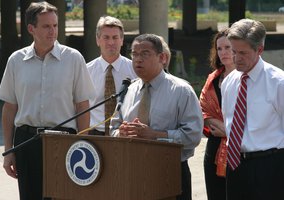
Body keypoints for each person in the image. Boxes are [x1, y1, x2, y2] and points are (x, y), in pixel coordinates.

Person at [0, 2, 95, 200]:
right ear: (31, 29)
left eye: (55, 26)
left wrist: (82, 144)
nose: (53, 31)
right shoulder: (15, 60)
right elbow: (9, 107)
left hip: (64, 141)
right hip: (26, 141)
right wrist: (8, 150)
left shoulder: (74, 59)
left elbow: (82, 106)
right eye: (46, 26)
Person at [110, 33, 203, 200]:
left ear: (163, 58)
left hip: (169, 172)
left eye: (145, 54)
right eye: (134, 54)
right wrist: (121, 133)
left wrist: (156, 135)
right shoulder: (128, 90)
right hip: (132, 172)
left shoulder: (181, 91)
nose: (138, 59)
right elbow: (114, 128)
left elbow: (193, 135)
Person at [221, 19, 284, 200]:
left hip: (270, 167)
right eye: (233, 51)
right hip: (235, 165)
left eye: (243, 53)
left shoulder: (278, 83)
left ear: (260, 50)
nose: (236, 58)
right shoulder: (229, 81)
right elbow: (229, 123)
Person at [199, 28, 235, 200]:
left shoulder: (248, 78)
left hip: (239, 149)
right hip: (213, 148)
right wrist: (222, 127)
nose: (223, 52)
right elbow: (202, 110)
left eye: (227, 47)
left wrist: (228, 131)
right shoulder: (213, 78)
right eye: (219, 48)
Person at [87, 15, 137, 136]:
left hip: (126, 134)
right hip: (95, 134)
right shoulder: (86, 71)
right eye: (106, 37)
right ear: (97, 40)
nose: (111, 42)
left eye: (115, 37)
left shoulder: (135, 70)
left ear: (122, 40)